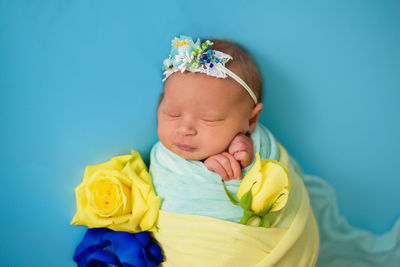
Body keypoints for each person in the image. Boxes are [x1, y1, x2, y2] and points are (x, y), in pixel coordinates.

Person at [156, 36, 263, 182]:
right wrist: (206, 168)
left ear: (251, 120)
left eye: (209, 119)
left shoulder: (246, 149)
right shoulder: (163, 158)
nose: (185, 129)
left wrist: (244, 159)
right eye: (172, 114)